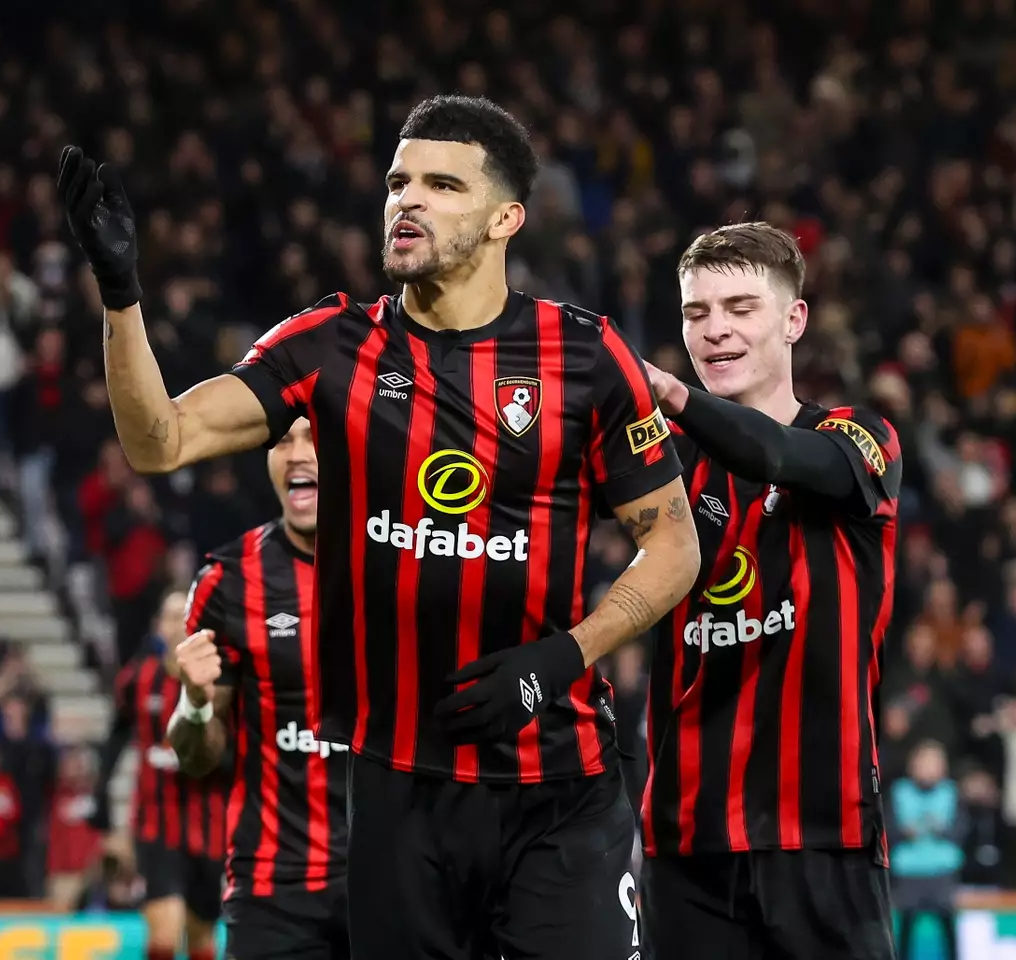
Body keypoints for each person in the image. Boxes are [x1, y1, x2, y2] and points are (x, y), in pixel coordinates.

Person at [57, 93, 701, 960]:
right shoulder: (329, 344)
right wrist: (121, 294)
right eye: (399, 181)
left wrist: (563, 657)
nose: (408, 200)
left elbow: (675, 545)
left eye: (442, 184)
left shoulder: (584, 355)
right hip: (399, 792)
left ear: (506, 217)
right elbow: (158, 441)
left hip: (560, 784)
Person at [639, 222, 901, 959]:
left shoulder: (858, 436)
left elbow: (778, 451)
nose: (715, 330)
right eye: (697, 313)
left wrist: (671, 394)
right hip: (683, 840)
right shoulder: (662, 468)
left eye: (740, 307)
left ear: (794, 320)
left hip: (822, 832)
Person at [166, 416, 350, 959]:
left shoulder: (411, 560)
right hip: (274, 890)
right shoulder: (228, 581)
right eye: (282, 441)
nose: (297, 453)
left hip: (393, 881)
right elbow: (196, 757)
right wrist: (196, 705)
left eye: (315, 437)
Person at [93, 589, 227, 960]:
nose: (178, 625)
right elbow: (115, 736)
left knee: (201, 934)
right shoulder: (139, 678)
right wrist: (100, 797)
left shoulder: (222, 684)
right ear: (158, 626)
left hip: (209, 825)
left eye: (186, 616)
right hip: (156, 822)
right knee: (165, 927)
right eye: (170, 616)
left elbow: (238, 746)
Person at [889, 740, 962, 960]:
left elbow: (961, 829)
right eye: (925, 763)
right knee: (906, 931)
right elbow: (886, 829)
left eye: (935, 763)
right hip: (909, 871)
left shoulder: (951, 792)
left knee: (948, 931)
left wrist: (943, 830)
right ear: (913, 766)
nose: (929, 769)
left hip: (942, 871)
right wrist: (903, 833)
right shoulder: (898, 791)